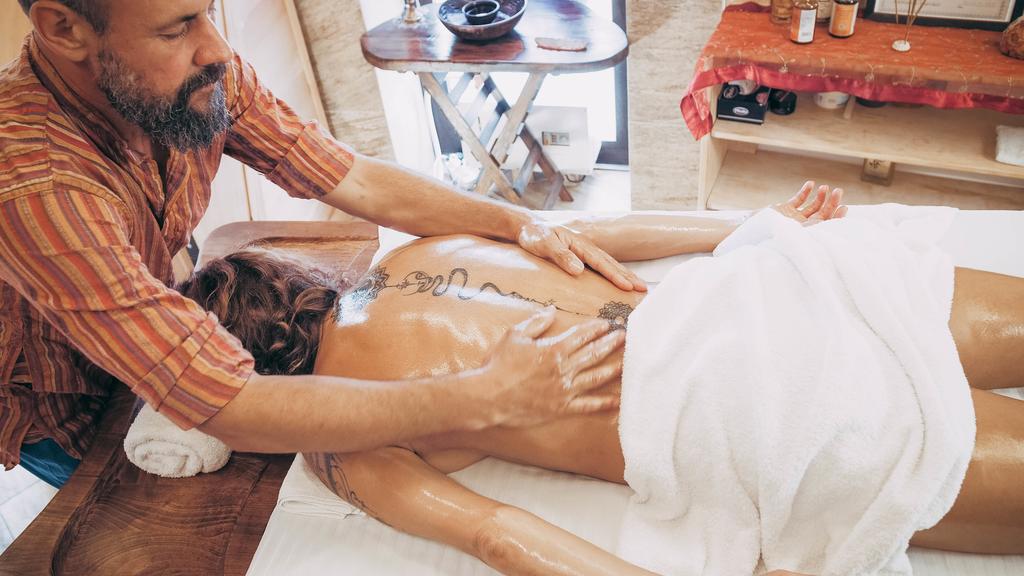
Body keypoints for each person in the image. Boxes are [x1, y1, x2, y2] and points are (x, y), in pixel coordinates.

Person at [182, 186, 1024, 574]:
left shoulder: (348, 444)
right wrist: (753, 225)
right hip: (765, 293)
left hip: (752, 416)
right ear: (290, 282)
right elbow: (593, 231)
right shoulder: (420, 250)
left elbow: (497, 536)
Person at [0, 0, 646, 488]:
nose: (216, 48)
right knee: (122, 507)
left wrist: (512, 222)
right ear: (65, 29)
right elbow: (227, 404)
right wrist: (484, 398)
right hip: (57, 395)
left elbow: (352, 176)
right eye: (177, 28)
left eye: (210, 11)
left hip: (139, 309)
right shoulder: (34, 186)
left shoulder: (196, 74)